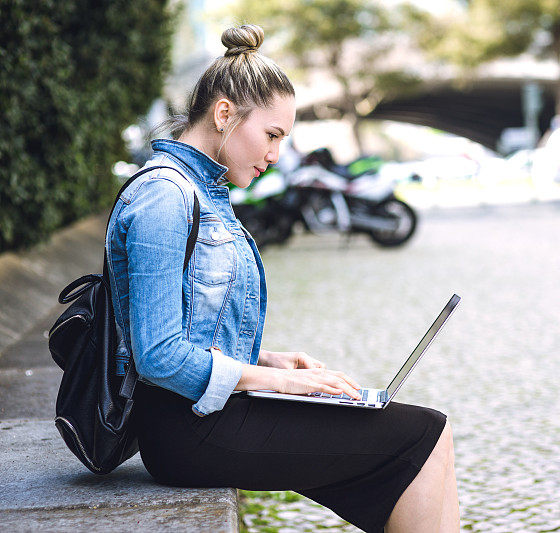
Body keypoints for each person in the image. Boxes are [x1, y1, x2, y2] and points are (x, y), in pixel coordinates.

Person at [105, 24, 459, 533]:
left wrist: (269, 358)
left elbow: (197, 326)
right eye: (271, 135)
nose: (275, 155)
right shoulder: (165, 196)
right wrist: (284, 383)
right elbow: (158, 355)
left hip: (211, 415)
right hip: (188, 430)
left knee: (427, 438)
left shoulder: (207, 193)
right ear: (224, 114)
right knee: (418, 435)